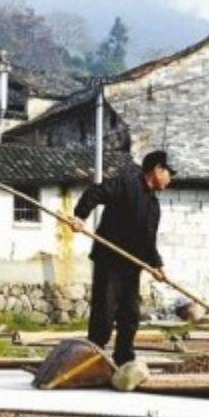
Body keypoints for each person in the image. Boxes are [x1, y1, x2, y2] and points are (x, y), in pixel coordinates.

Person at [67, 150, 175, 367]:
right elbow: (96, 192)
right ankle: (92, 359)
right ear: (157, 169)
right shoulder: (127, 184)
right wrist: (80, 216)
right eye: (169, 173)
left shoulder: (153, 205)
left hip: (131, 265)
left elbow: (148, 240)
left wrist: (157, 265)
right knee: (104, 313)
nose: (170, 179)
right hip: (109, 260)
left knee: (130, 314)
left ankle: (124, 361)